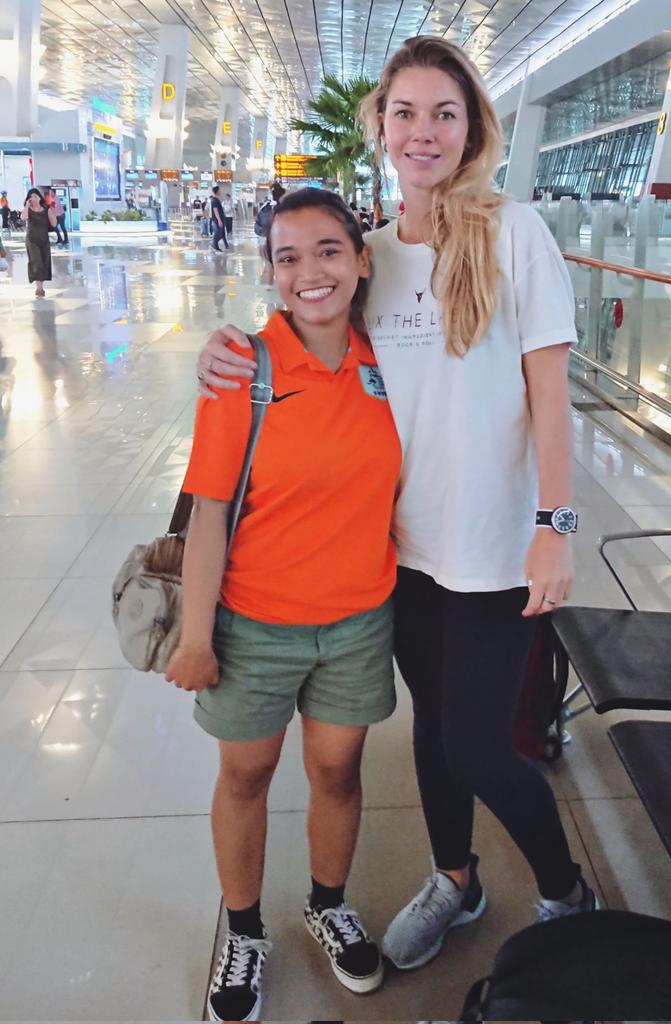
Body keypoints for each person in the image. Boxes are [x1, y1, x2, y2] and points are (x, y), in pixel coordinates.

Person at [195, 35, 595, 974]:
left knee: (479, 745)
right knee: (429, 736)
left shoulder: (513, 233)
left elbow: (549, 394)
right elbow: (298, 330)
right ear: (380, 126)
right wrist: (219, 350)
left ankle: (563, 887)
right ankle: (455, 880)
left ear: (470, 130)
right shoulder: (369, 256)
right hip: (402, 552)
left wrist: (555, 526)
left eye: (443, 114)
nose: (423, 132)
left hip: (497, 547)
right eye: (405, 113)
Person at [166, 187, 401, 1021]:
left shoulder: (390, 362)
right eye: (288, 256)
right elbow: (208, 513)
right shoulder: (244, 371)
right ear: (269, 272)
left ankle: (327, 901)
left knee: (336, 768)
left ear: (361, 258)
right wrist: (196, 635)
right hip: (254, 621)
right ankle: (242, 927)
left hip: (358, 620)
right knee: (247, 772)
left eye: (329, 250)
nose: (310, 272)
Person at [20, 188, 56, 298]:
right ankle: (39, 288)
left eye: (35, 196)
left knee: (44, 262)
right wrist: (26, 206)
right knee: (36, 262)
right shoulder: (28, 210)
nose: (33, 198)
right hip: (32, 240)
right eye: (31, 197)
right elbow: (23, 217)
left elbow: (54, 224)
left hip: (44, 240)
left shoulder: (46, 209)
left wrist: (51, 213)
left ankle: (41, 285)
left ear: (40, 197)